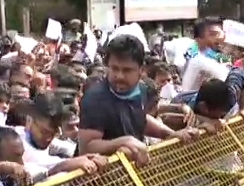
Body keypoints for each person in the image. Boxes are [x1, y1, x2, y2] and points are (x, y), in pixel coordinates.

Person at [78, 34, 198, 166]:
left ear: (141, 70)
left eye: (127, 70)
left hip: (132, 173)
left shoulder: (141, 89)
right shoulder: (95, 98)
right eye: (114, 68)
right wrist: (123, 141)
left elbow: (139, 119)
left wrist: (172, 134)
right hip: (100, 179)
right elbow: (86, 147)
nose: (119, 76)